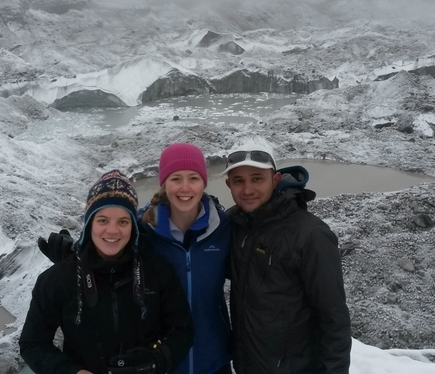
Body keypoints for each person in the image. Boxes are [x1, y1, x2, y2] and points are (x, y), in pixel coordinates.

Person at [20, 170, 195, 374]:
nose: (112, 230)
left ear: (133, 226)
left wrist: (155, 360)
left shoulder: (157, 270)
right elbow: (33, 343)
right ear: (89, 224)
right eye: (103, 220)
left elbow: (182, 330)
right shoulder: (58, 279)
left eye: (123, 221)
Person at [222, 139, 352, 373]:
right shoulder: (235, 226)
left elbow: (334, 319)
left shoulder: (311, 236)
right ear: (228, 184)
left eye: (257, 179)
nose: (248, 189)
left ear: (275, 180)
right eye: (239, 181)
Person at [139, 143, 232, 374]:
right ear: (164, 183)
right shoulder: (143, 231)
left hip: (214, 359)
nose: (185, 187)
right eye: (175, 178)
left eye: (193, 178)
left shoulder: (222, 228)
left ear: (204, 183)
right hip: (163, 362)